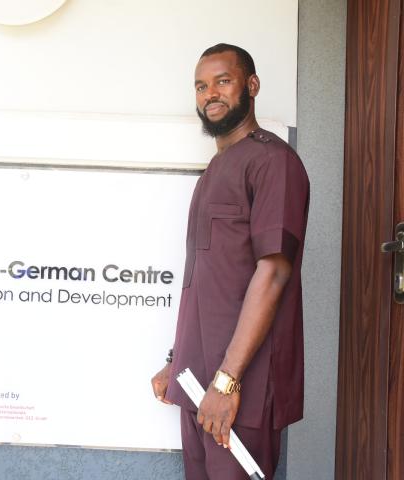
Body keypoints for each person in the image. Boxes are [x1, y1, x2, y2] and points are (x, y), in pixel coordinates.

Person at [151, 44, 309, 479]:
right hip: (197, 380)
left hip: (242, 388)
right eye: (202, 86)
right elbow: (204, 280)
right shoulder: (215, 170)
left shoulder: (273, 163)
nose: (210, 94)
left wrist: (227, 381)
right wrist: (177, 357)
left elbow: (274, 271)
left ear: (251, 86)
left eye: (223, 80)